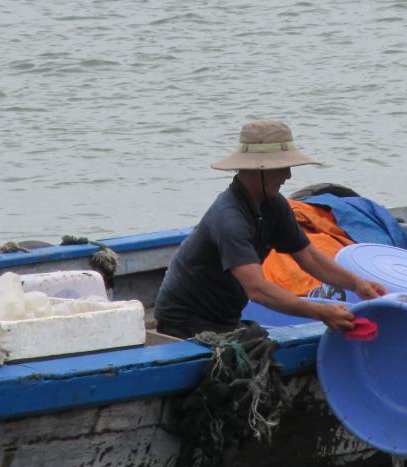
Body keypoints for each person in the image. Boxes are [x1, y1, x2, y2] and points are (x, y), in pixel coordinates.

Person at [153, 119, 387, 339]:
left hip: (226, 317)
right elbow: (257, 290)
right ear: (257, 170)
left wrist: (358, 284)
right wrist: (321, 312)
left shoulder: (274, 205)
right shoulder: (229, 218)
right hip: (184, 323)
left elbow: (310, 258)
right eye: (281, 168)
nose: (288, 175)